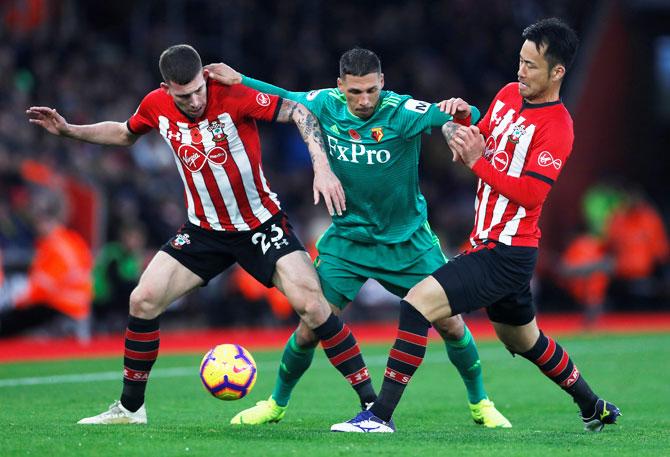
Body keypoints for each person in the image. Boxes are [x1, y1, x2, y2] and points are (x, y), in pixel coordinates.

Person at [27, 44, 373, 425]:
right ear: (166, 88)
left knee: (312, 306)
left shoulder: (232, 93)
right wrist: (69, 130)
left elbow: (299, 111)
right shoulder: (155, 104)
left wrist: (321, 167)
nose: (193, 100)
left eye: (197, 90)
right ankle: (130, 409)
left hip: (260, 224)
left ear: (204, 78)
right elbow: (125, 133)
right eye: (182, 94)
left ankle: (371, 406)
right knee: (143, 299)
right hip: (204, 229)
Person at [331, 18, 621, 433]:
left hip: (506, 251)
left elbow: (531, 195)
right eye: (520, 61)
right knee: (524, 341)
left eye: (531, 66)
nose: (520, 71)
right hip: (492, 246)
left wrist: (476, 163)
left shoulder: (558, 128)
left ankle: (378, 416)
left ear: (557, 72)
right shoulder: (506, 95)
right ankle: (595, 407)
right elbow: (480, 136)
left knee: (416, 303)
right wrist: (464, 119)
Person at [206, 48, 511, 428]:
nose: (364, 100)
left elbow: (465, 117)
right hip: (348, 242)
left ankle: (480, 403)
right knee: (309, 326)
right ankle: (275, 404)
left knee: (451, 324)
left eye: (371, 90)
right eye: (355, 92)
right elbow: (283, 97)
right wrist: (241, 79)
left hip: (407, 243)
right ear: (340, 87)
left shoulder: (401, 112)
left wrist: (461, 112)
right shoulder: (325, 104)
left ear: (382, 83)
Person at [0, 188, 93, 342]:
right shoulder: (74, 240)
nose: (36, 226)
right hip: (79, 308)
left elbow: (43, 286)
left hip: (60, 308)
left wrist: (17, 300)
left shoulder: (54, 246)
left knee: (6, 323)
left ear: (46, 220)